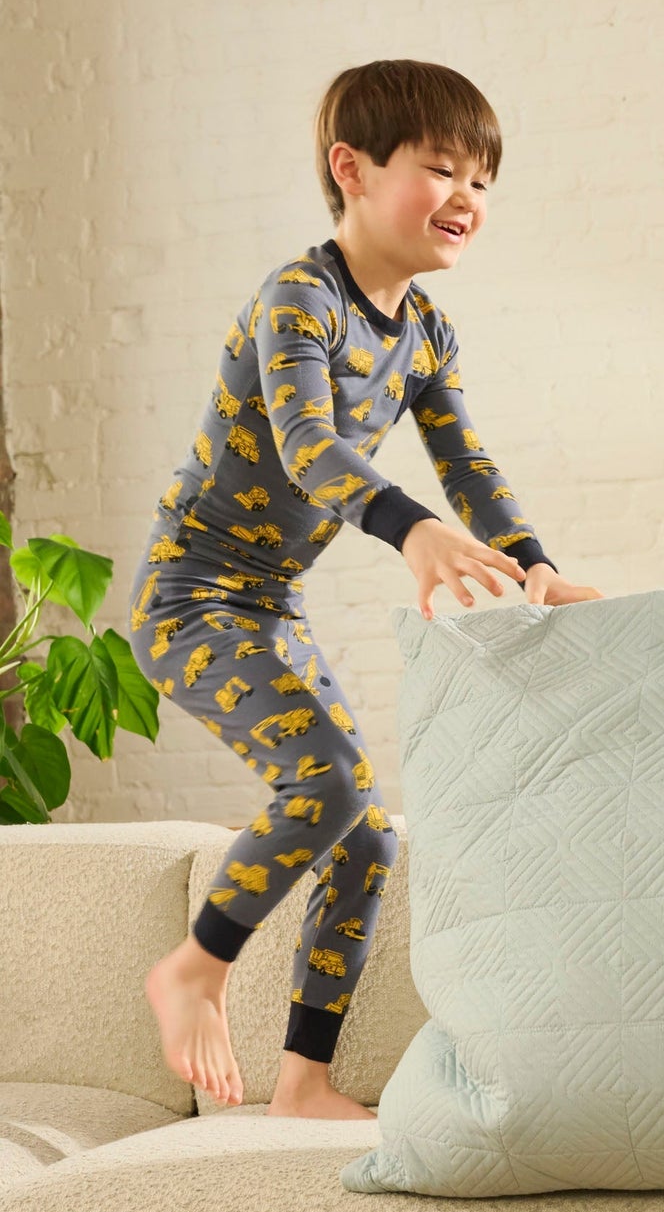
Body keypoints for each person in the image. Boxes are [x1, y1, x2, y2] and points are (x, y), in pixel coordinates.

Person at [128, 59, 601, 1119]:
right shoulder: (299, 299)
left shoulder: (426, 331)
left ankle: (302, 1081)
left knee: (368, 835)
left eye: (482, 178)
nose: (467, 197)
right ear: (351, 169)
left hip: (268, 606)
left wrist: (534, 564)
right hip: (191, 599)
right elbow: (306, 447)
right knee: (331, 782)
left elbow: (468, 466)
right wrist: (410, 531)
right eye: (441, 169)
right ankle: (195, 968)